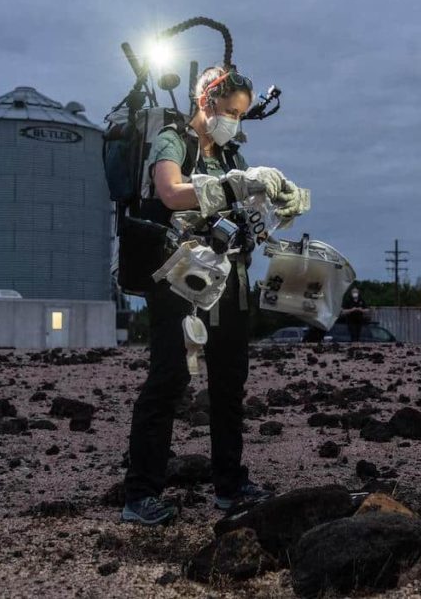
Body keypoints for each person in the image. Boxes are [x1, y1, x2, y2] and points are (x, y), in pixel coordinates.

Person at [122, 65, 308, 525]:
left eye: (242, 115)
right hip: (179, 280)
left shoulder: (230, 156)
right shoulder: (174, 140)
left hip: (230, 281)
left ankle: (230, 484)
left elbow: (248, 209)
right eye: (229, 112)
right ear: (206, 102)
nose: (235, 123)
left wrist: (282, 201)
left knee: (229, 384)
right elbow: (169, 193)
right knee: (169, 379)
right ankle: (140, 494)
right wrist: (229, 187)